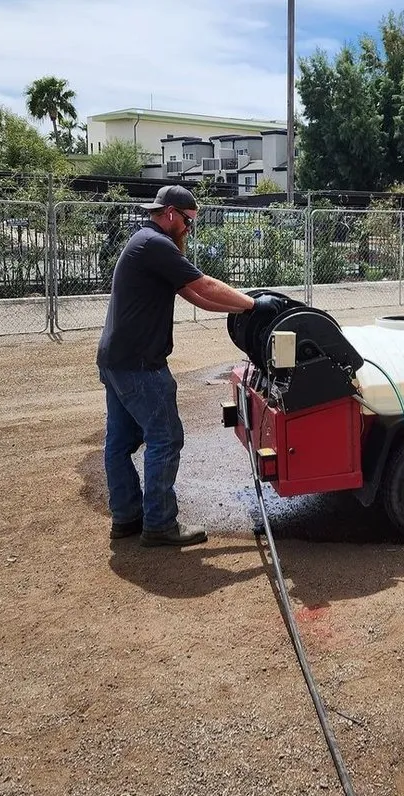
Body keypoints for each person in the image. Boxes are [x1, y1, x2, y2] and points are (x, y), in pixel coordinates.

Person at [96, 184, 255, 547]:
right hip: (140, 365)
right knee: (165, 438)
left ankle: (126, 517)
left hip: (116, 360)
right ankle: (159, 524)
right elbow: (205, 284)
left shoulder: (145, 242)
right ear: (170, 213)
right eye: (188, 221)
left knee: (119, 442)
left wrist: (242, 307)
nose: (189, 229)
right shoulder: (156, 244)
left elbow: (195, 295)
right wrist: (254, 304)